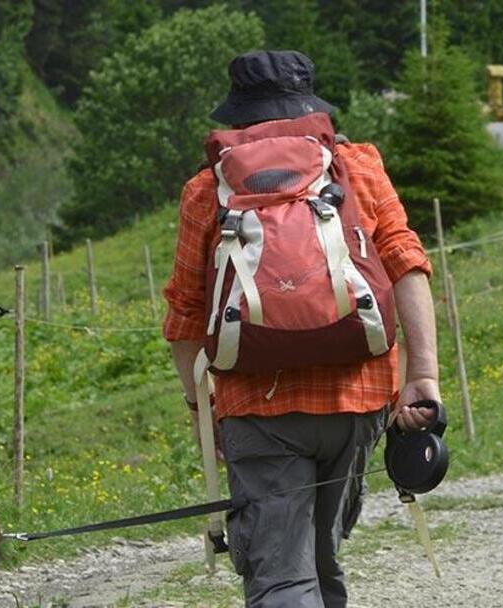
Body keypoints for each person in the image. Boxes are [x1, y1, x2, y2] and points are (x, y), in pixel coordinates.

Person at [162, 50, 440, 608]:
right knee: (320, 556)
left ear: (239, 114)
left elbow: (187, 315)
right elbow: (405, 262)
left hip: (256, 407)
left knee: (281, 575)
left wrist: (203, 412)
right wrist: (424, 375)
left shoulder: (206, 191)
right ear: (309, 104)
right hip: (357, 398)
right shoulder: (356, 165)